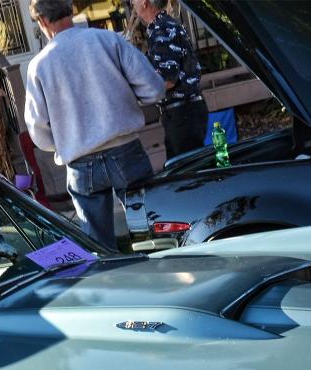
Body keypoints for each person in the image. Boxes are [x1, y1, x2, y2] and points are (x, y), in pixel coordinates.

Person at [24, 0, 164, 248]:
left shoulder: (39, 66)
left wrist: (65, 141)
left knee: (97, 245)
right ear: (71, 10)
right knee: (153, 230)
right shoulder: (107, 40)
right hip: (125, 148)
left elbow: (38, 130)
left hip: (80, 160)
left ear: (43, 21)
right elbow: (154, 89)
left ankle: (109, 282)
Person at [132, 0, 207, 159]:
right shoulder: (161, 27)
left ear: (145, 2)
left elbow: (167, 80)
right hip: (182, 112)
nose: (132, 2)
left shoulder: (162, 28)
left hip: (183, 113)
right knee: (181, 169)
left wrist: (136, 94)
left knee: (188, 175)